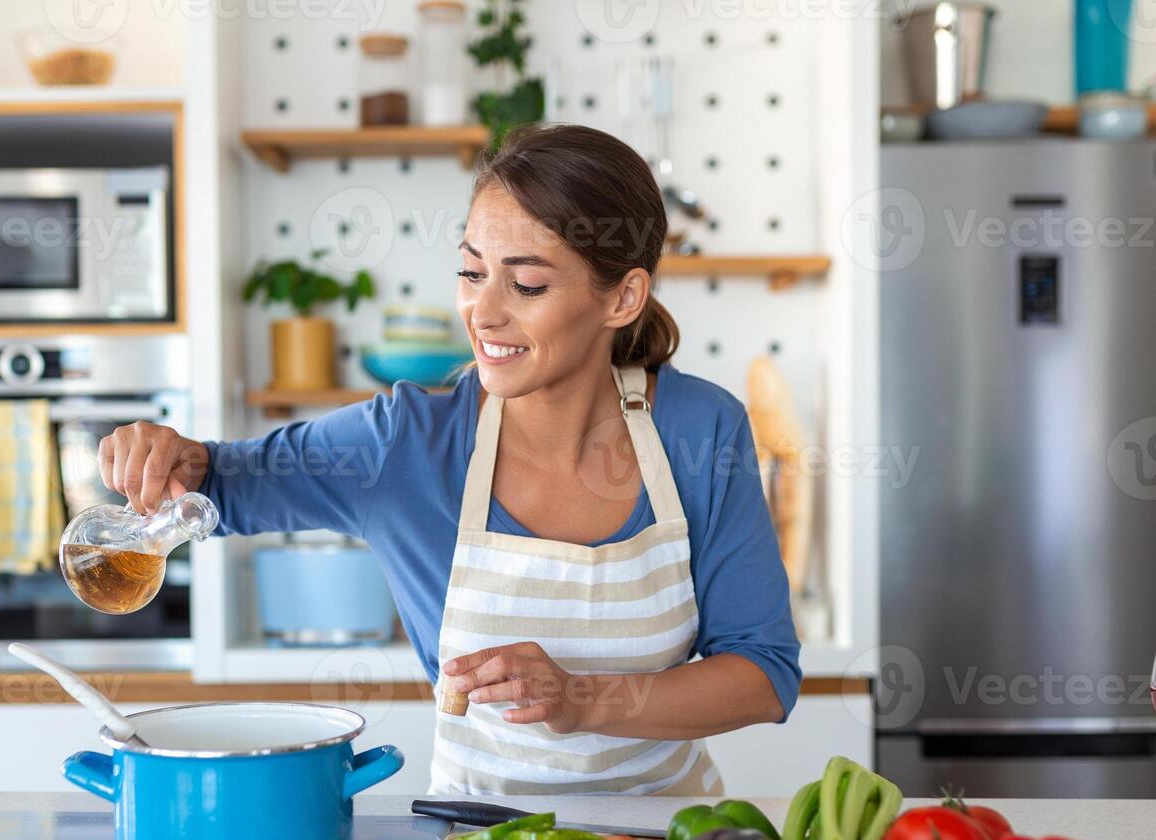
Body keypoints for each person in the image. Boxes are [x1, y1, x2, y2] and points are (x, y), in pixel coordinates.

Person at [100, 123, 801, 796]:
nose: (482, 314)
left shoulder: (700, 431)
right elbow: (215, 484)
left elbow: (764, 676)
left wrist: (582, 700)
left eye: (526, 286)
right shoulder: (404, 443)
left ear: (622, 297)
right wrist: (166, 455)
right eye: (471, 272)